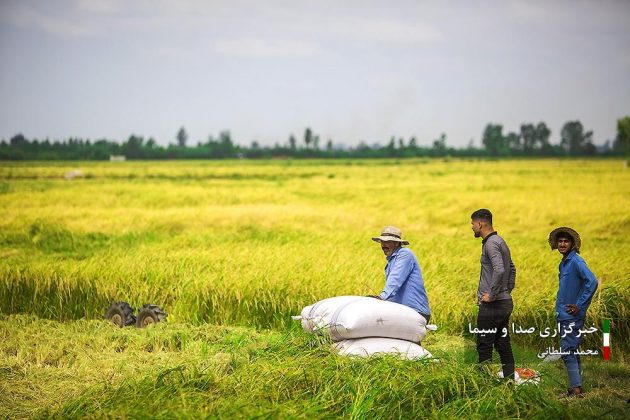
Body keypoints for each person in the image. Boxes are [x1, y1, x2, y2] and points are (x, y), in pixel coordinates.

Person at [548, 227, 598, 398]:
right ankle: (576, 386)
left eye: (566, 241)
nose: (562, 244)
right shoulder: (564, 263)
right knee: (572, 350)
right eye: (560, 241)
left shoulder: (576, 261)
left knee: (567, 350)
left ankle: (576, 389)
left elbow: (592, 281)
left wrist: (579, 305)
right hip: (563, 314)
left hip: (572, 315)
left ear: (572, 244)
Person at [470, 209, 516, 381]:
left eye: (473, 224)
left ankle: (484, 386)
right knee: (503, 344)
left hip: (493, 305)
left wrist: (492, 294)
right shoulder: (500, 241)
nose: (472, 227)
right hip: (504, 302)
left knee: (484, 345)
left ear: (480, 224)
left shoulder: (490, 243)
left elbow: (500, 269)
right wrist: (506, 290)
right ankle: (509, 383)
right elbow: (512, 268)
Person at [369, 226, 431, 324]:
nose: (384, 245)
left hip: (414, 311)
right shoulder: (391, 261)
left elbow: (395, 278)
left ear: (397, 243)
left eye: (388, 242)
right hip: (400, 310)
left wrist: (382, 297)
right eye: (382, 242)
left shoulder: (405, 254)